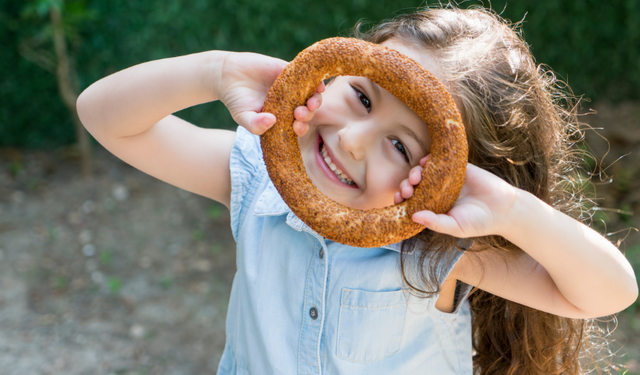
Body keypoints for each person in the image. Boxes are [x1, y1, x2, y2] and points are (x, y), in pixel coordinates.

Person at [76, 5, 638, 375]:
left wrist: (512, 212)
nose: (350, 141)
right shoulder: (256, 180)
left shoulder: (437, 247)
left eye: (400, 147)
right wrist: (211, 71)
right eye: (363, 99)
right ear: (339, 69)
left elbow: (607, 293)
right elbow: (104, 116)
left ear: (443, 176)